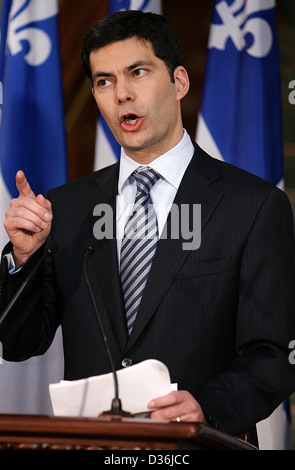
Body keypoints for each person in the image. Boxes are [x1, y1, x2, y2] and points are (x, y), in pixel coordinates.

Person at [0, 10, 295, 447]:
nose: (121, 94)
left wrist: (206, 406)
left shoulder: (252, 205)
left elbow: (274, 356)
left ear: (178, 82)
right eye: (104, 81)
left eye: (137, 72)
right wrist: (22, 259)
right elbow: (19, 342)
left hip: (197, 445)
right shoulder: (67, 208)